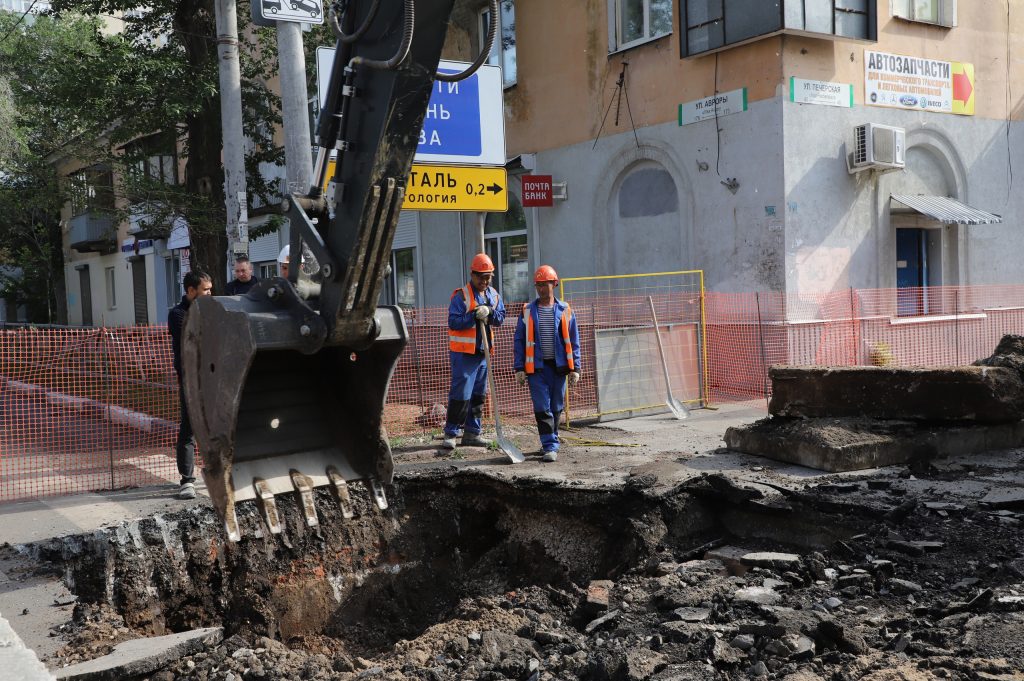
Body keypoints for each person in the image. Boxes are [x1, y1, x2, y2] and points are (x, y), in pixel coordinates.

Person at [513, 265, 581, 462]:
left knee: (556, 406)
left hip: (559, 368)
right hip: (536, 368)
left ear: (554, 284)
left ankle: (552, 439)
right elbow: (519, 340)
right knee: (542, 407)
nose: (542, 289)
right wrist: (519, 367)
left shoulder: (565, 310)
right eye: (539, 285)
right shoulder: (527, 311)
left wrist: (576, 367)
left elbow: (574, 340)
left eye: (545, 284)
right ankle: (549, 445)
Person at [442, 253, 506, 449]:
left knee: (479, 394)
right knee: (461, 394)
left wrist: (490, 312)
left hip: (483, 353)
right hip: (464, 354)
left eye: (488, 277)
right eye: (481, 277)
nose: (484, 281)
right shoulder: (461, 296)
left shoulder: (493, 295)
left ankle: (472, 433)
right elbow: (453, 322)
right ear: (472, 275)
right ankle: (451, 433)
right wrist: (473, 315)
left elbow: (501, 317)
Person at [168, 270, 213, 499]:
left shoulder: (211, 311)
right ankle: (187, 480)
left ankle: (220, 473)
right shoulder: (177, 314)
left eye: (211, 289)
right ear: (191, 290)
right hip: (190, 379)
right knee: (189, 428)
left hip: (213, 377)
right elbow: (193, 339)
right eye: (206, 290)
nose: (210, 294)